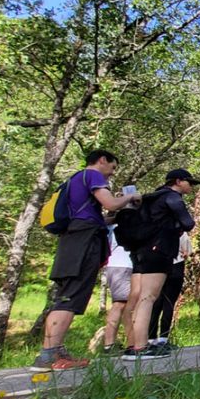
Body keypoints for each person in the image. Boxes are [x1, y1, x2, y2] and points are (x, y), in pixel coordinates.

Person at [34, 150, 138, 372]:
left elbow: (99, 215)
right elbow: (109, 203)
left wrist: (114, 219)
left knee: (68, 295)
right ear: (102, 160)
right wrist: (130, 197)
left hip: (73, 239)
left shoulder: (74, 180)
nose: (111, 174)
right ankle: (49, 355)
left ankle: (55, 350)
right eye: (112, 167)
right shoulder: (92, 176)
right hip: (83, 242)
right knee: (69, 298)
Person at [124, 168, 199, 360]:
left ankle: (134, 344)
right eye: (189, 182)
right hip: (159, 250)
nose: (191, 186)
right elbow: (188, 223)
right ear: (178, 181)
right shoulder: (172, 198)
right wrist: (175, 227)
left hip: (140, 251)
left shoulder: (150, 198)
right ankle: (141, 348)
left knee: (141, 297)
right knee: (149, 298)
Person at [146, 231, 191, 353]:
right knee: (168, 304)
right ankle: (163, 339)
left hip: (158, 266)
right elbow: (187, 252)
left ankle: (151, 338)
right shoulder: (181, 233)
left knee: (156, 303)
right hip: (176, 267)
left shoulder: (156, 231)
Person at [100, 224, 135, 356]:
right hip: (123, 265)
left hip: (117, 266)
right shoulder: (118, 226)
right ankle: (110, 344)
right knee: (121, 304)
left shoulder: (109, 226)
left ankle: (127, 343)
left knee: (126, 305)